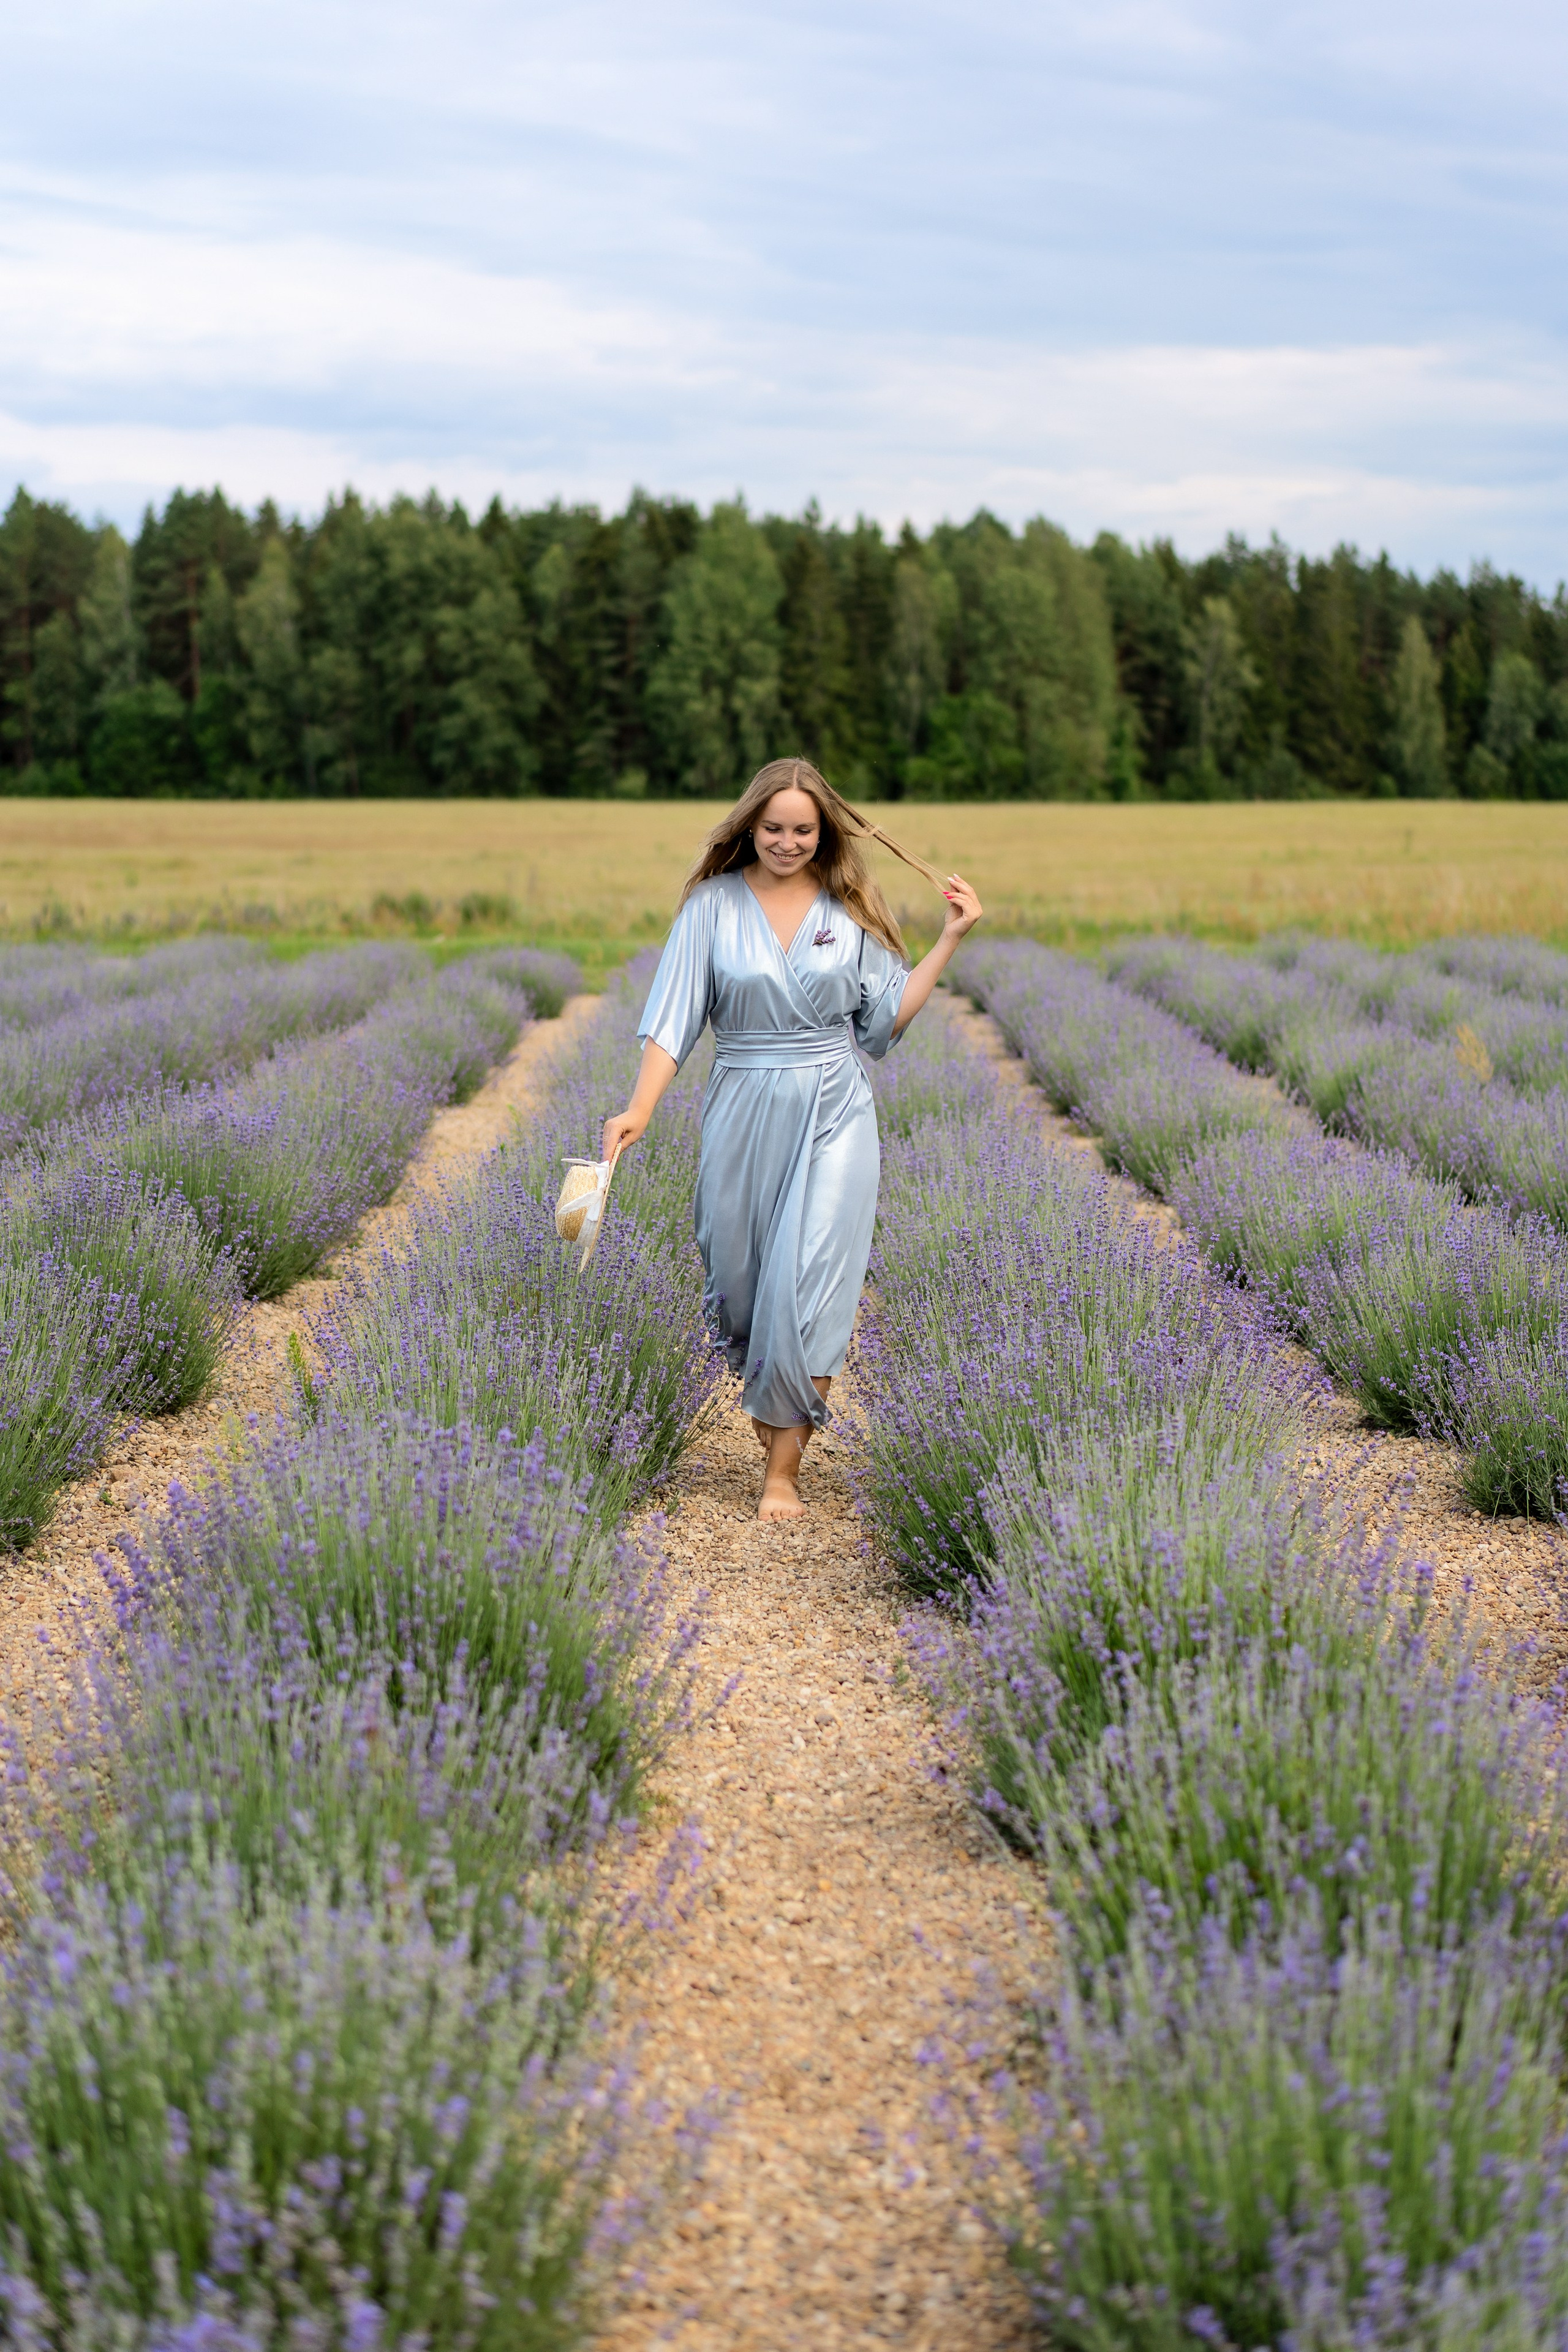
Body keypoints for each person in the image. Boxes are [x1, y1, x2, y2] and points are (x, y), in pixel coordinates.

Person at [602, 758, 984, 1520]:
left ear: (824, 832)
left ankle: (784, 1473)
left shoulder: (849, 909)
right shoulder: (710, 908)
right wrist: (639, 1107)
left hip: (835, 1107)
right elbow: (674, 1017)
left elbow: (881, 1024)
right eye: (772, 827)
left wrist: (950, 938)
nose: (786, 842)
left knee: (812, 1289)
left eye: (802, 829)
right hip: (741, 1102)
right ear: (749, 827)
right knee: (742, 1287)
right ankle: (772, 1415)